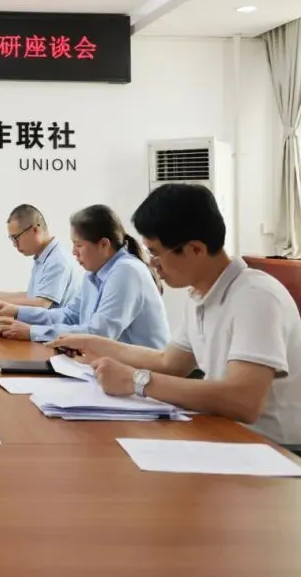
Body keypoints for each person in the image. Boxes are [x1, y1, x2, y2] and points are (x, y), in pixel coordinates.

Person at [51, 185, 301, 447]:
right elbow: (169, 362)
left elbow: (243, 401)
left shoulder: (256, 296)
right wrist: (94, 344)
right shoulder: (199, 295)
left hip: (274, 451)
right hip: (225, 434)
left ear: (196, 249)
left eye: (156, 253)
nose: (153, 264)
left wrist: (135, 380)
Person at [0, 204, 169, 347]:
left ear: (104, 245)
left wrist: (32, 331)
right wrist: (18, 312)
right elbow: (69, 315)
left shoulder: (127, 271)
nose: (74, 252)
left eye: (79, 245)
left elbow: (99, 334)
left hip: (144, 375)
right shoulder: (93, 274)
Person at [0, 204, 81, 307]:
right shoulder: (44, 256)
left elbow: (41, 304)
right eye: (12, 239)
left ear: (35, 230)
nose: (14, 244)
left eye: (16, 238)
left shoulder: (57, 261)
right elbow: (31, 296)